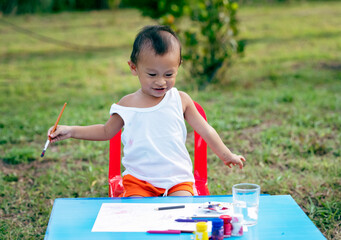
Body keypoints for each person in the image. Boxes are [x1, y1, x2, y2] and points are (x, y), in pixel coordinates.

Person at [48, 25, 246, 197]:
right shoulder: (127, 104)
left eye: (169, 74)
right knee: (137, 215)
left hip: (177, 179)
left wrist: (226, 154)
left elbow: (206, 131)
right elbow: (106, 132)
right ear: (134, 68)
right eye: (152, 74)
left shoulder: (180, 100)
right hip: (139, 180)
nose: (161, 81)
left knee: (183, 208)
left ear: (179, 66)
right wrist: (71, 131)